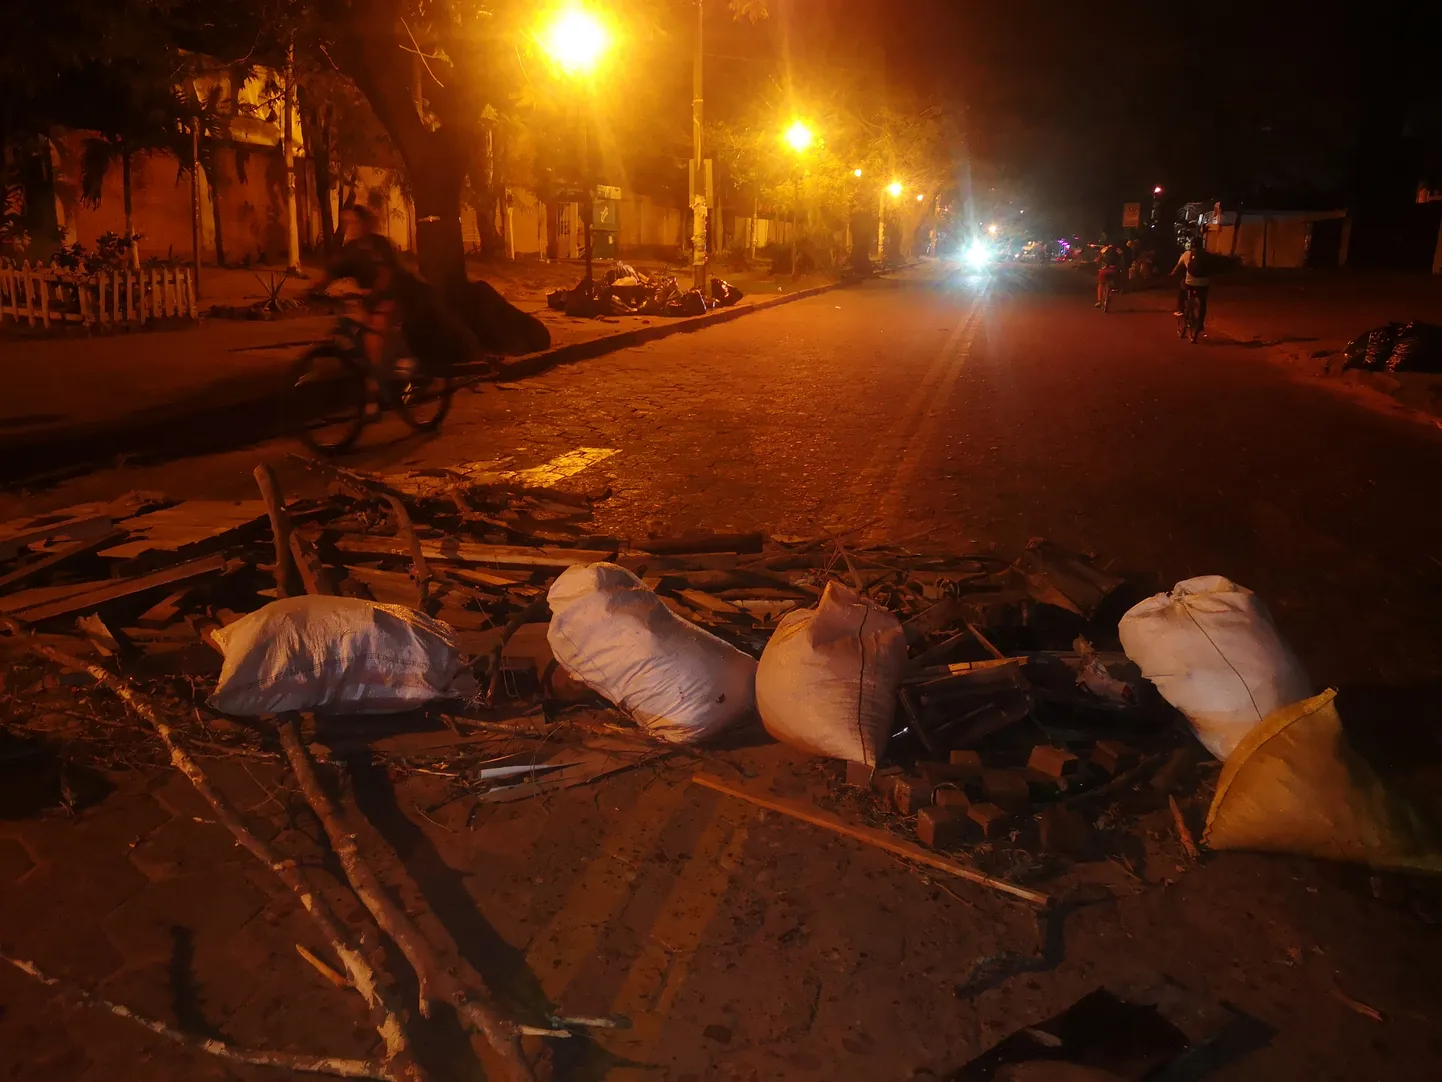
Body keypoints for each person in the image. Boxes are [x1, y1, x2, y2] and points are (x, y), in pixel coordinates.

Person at [311, 205, 409, 377]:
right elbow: (334, 270)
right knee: (346, 329)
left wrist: (372, 293)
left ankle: (380, 387)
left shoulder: (380, 245)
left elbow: (387, 274)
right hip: (370, 303)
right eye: (347, 223)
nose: (351, 226)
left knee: (373, 340)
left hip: (391, 299)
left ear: (366, 223)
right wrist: (313, 290)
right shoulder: (352, 248)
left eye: (355, 222)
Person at [1172, 235, 1212, 332]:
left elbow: (1178, 267)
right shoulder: (1207, 255)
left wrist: (1172, 273)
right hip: (1204, 283)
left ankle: (1180, 309)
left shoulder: (1187, 254)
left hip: (1190, 283)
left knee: (1182, 286)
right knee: (1203, 300)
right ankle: (1200, 323)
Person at [1095, 240, 1125, 307]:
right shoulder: (1119, 250)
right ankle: (1114, 289)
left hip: (1104, 271)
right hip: (1115, 271)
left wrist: (1097, 262)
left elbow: (1099, 259)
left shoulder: (1104, 250)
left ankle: (1099, 301)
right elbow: (1122, 261)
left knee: (1100, 283)